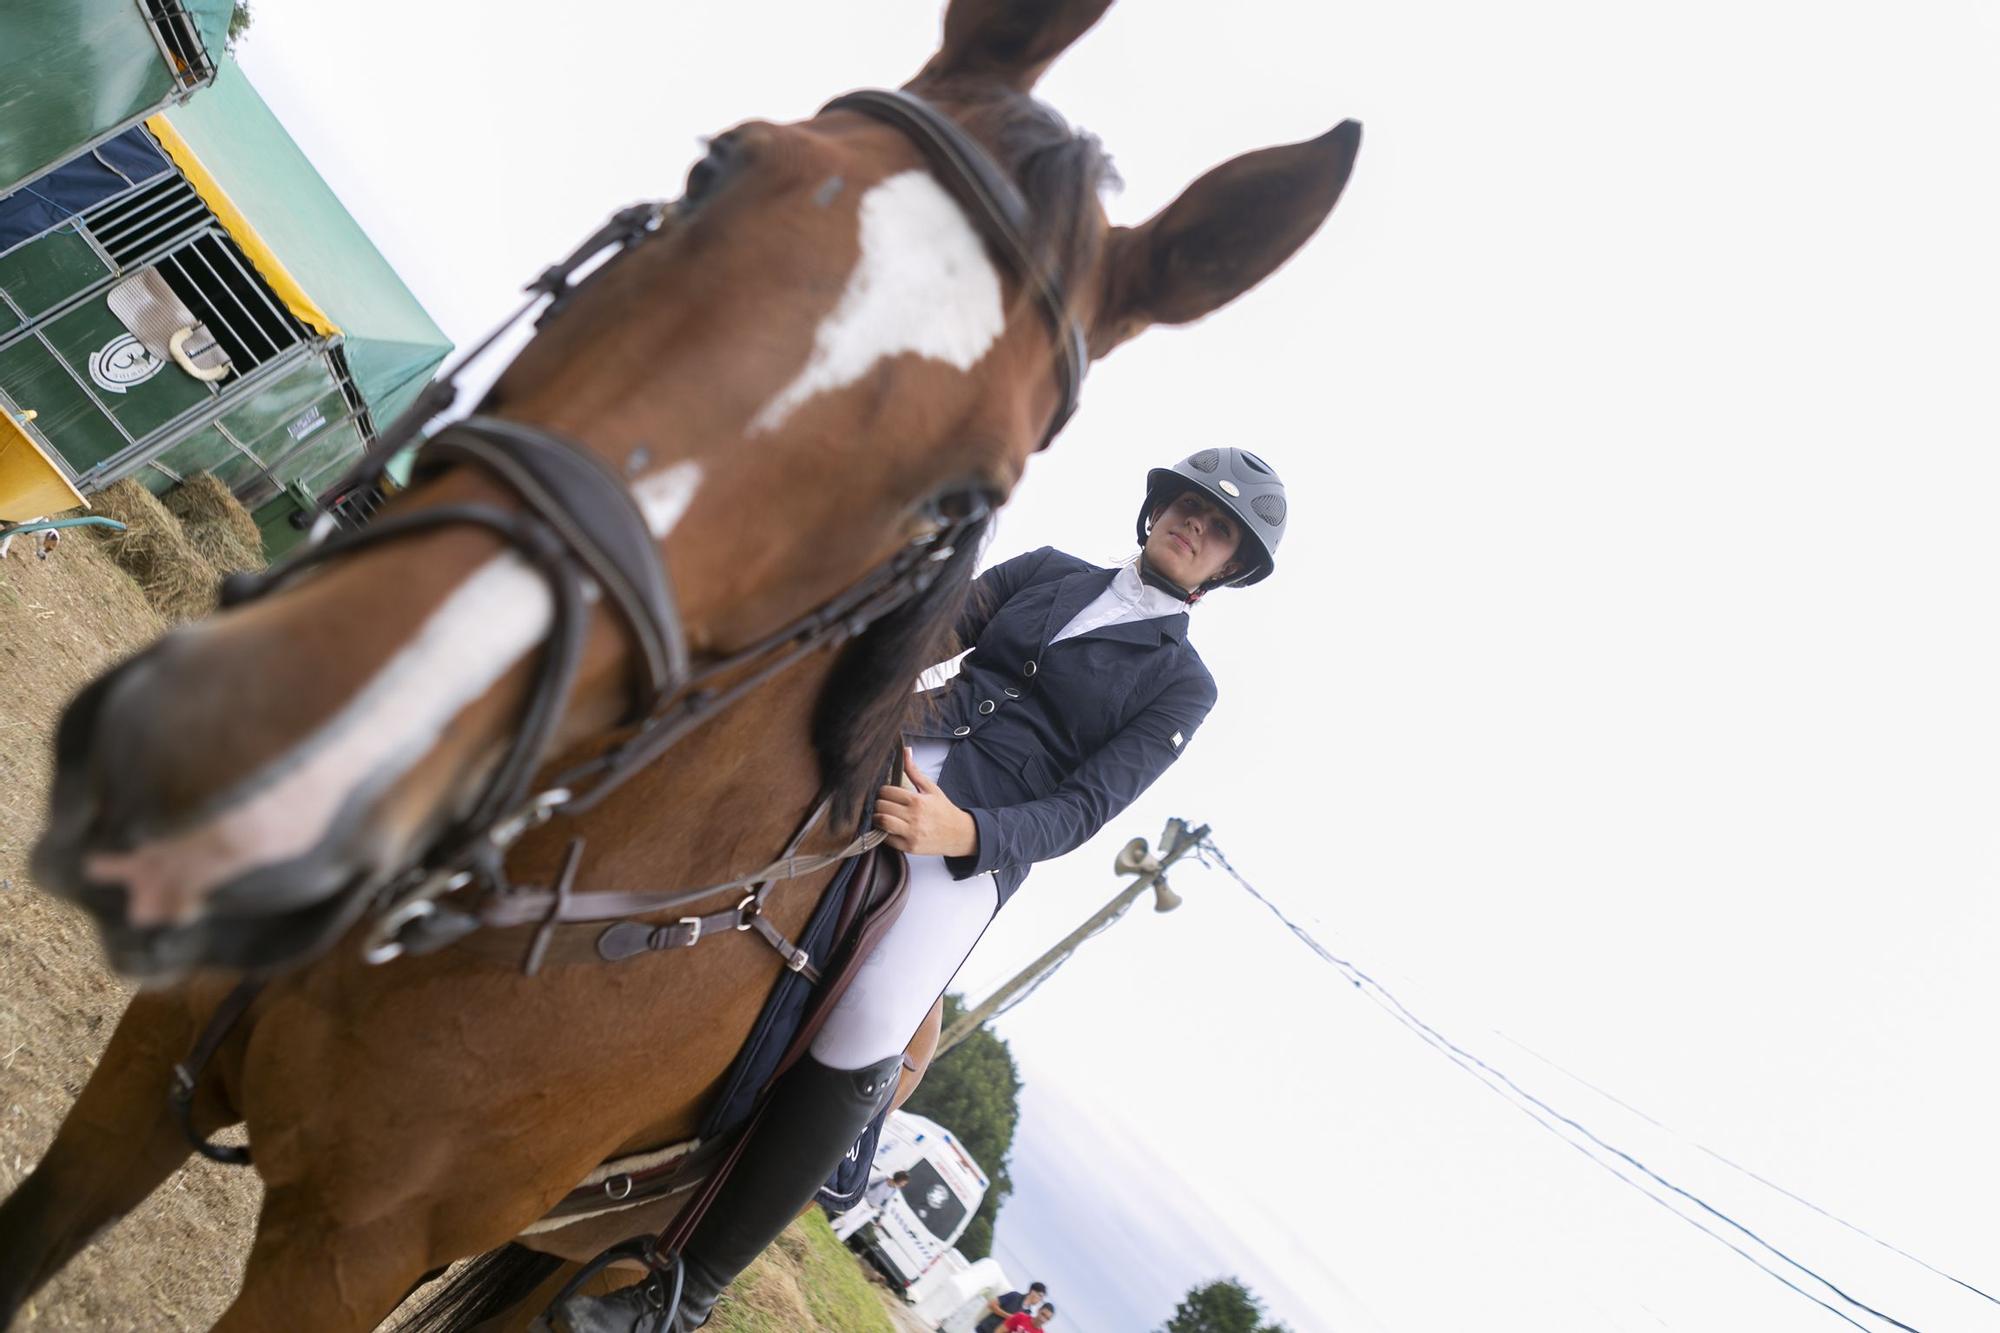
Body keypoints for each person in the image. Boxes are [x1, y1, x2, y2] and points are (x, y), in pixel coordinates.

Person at [548, 451, 1288, 1332]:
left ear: (1230, 566)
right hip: (897, 744)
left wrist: (964, 833)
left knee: (874, 1018)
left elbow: (1085, 806)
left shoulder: (1182, 684)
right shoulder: (1050, 569)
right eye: (1189, 504)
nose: (1194, 525)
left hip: (971, 840)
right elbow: (936, 634)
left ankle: (683, 1292)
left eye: (1218, 529)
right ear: (1159, 506)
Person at [976, 1282, 1051, 1333]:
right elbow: (991, 1304)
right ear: (1032, 1291)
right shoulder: (1014, 1296)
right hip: (983, 1330)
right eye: (1040, 1296)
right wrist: (1010, 1317)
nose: (1040, 1300)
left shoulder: (1028, 1314)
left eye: (1042, 1298)